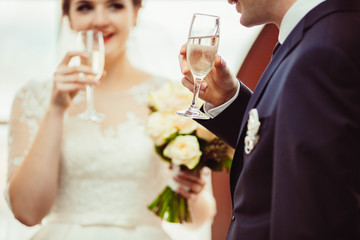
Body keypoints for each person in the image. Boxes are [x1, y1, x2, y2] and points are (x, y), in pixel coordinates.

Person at [5, 0, 216, 239]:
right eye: (85, 7)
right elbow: (27, 213)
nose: (100, 20)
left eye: (114, 5)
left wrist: (193, 192)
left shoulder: (172, 98)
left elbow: (197, 220)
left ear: (135, 14)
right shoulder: (33, 98)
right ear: (69, 18)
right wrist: (55, 108)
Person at [179, 0, 360, 239]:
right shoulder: (315, 37)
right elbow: (287, 145)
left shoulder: (322, 52)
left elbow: (312, 217)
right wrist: (229, 100)